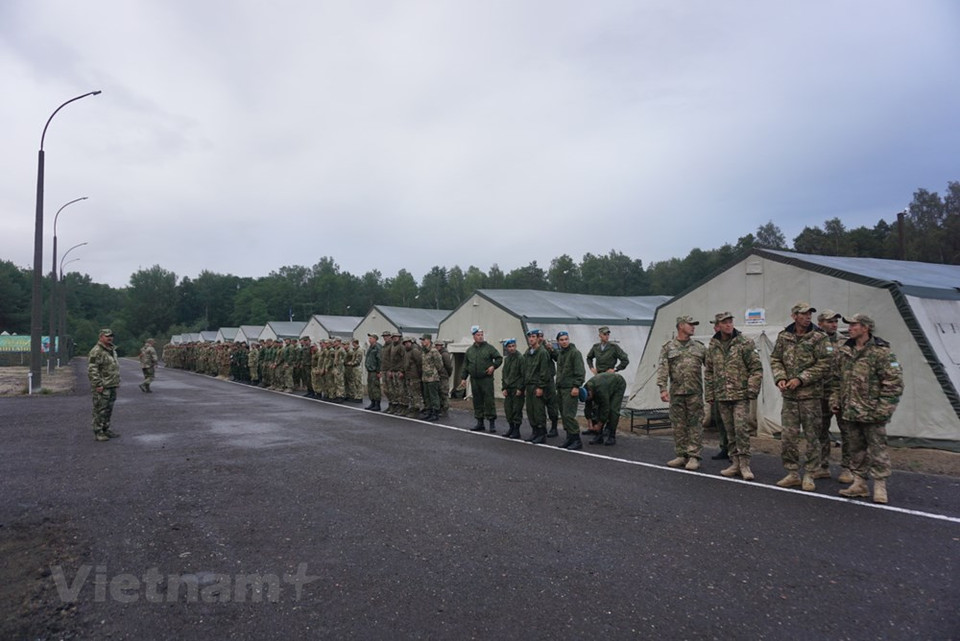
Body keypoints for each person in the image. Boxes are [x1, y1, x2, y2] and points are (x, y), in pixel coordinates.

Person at [831, 314, 903, 504]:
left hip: (872, 411)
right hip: (850, 410)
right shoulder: (845, 351)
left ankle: (880, 486)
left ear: (866, 328)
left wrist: (884, 410)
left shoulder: (881, 352)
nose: (850, 328)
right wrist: (835, 399)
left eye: (854, 325)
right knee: (856, 449)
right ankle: (859, 483)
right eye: (850, 325)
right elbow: (836, 379)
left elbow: (893, 383)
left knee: (877, 450)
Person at [770, 302, 832, 491]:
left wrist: (801, 378)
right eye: (804, 314)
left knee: (812, 437)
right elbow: (775, 359)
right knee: (788, 437)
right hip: (789, 397)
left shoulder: (819, 337)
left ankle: (810, 474)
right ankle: (792, 473)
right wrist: (780, 377)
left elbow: (825, 363)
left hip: (810, 396)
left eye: (809, 314)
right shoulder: (784, 336)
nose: (807, 317)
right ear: (794, 316)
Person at [704, 312, 763, 480]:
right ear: (718, 325)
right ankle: (735, 462)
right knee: (729, 431)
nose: (728, 325)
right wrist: (710, 393)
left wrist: (751, 390)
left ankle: (745, 465)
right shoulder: (713, 345)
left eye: (730, 321)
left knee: (741, 429)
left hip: (740, 395)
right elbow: (709, 371)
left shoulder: (744, 343)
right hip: (722, 396)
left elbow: (756, 369)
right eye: (724, 322)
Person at [657, 315, 707, 470]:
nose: (693, 327)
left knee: (695, 424)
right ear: (680, 326)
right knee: (678, 425)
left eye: (694, 324)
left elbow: (711, 369)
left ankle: (694, 456)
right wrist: (662, 388)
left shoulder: (699, 347)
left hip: (694, 392)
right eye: (690, 324)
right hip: (676, 392)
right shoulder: (668, 347)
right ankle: (681, 454)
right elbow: (663, 369)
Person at [817, 310, 850, 482]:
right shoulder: (814, 340)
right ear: (821, 323)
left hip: (839, 392)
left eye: (836, 321)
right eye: (830, 321)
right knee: (821, 430)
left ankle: (847, 468)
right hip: (820, 392)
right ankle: (822, 466)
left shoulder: (845, 342)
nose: (834, 324)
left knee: (847, 431)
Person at [458, 326, 503, 432]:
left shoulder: (489, 348)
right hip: (475, 379)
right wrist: (463, 378)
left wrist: (493, 366)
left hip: (486, 379)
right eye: (478, 335)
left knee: (489, 401)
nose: (480, 337)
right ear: (473, 336)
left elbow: (499, 358)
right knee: (477, 401)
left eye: (482, 334)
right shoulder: (470, 351)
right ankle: (480, 422)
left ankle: (492, 423)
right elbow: (466, 365)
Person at [88, 328, 121, 442]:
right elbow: (93, 369)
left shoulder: (111, 350)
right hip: (102, 385)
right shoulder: (96, 351)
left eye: (111, 336)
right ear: (101, 337)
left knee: (108, 409)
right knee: (100, 409)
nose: (110, 338)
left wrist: (116, 381)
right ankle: (98, 431)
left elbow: (113, 367)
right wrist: (97, 384)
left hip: (111, 384)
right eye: (107, 336)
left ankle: (106, 428)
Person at [555, 331, 586, 450]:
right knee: (563, 415)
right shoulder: (561, 354)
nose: (564, 341)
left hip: (570, 388)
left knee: (569, 415)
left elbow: (580, 372)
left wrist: (576, 386)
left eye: (566, 339)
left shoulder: (575, 353)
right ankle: (569, 438)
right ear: (558, 342)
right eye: (561, 340)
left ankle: (577, 440)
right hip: (561, 388)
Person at [521, 329, 553, 444]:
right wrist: (524, 387)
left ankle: (541, 433)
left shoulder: (542, 352)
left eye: (533, 337)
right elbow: (525, 370)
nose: (531, 339)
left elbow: (544, 371)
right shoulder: (528, 352)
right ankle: (534, 431)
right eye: (529, 337)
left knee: (539, 410)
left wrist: (540, 387)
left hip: (537, 385)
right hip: (529, 385)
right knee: (530, 410)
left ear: (537, 338)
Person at [581, 371, 626, 446]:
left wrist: (599, 424)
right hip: (606, 385)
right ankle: (599, 436)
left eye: (589, 398)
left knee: (613, 410)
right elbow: (588, 407)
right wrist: (589, 423)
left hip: (618, 384)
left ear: (590, 392)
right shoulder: (586, 390)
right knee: (596, 409)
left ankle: (612, 436)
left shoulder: (600, 390)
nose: (588, 400)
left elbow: (605, 408)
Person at [500, 338, 525, 439]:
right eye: (509, 347)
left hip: (516, 388)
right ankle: (511, 427)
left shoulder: (520, 358)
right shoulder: (507, 359)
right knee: (508, 409)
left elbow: (523, 375)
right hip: (508, 388)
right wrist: (504, 388)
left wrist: (520, 388)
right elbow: (504, 374)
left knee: (516, 409)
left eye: (513, 346)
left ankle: (516, 430)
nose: (511, 348)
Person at [420, 334, 442, 421]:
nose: (422, 341)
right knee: (427, 396)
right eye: (422, 340)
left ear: (428, 340)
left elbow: (439, 365)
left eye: (424, 340)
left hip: (432, 377)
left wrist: (434, 371)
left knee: (434, 396)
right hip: (425, 377)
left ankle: (435, 412)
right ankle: (428, 411)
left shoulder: (434, 351)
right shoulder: (424, 351)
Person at [364, 333, 383, 411]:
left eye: (371, 338)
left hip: (375, 371)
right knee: (370, 387)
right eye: (369, 338)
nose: (369, 340)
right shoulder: (371, 347)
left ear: (375, 339)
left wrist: (379, 371)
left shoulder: (378, 347)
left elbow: (380, 360)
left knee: (375, 387)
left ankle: (377, 404)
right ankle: (372, 402)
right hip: (370, 370)